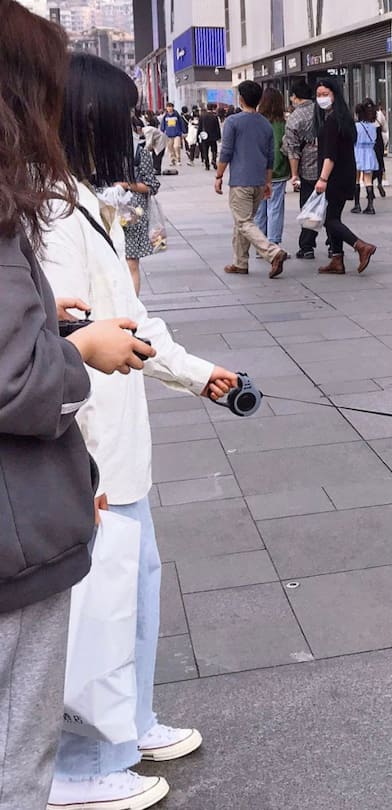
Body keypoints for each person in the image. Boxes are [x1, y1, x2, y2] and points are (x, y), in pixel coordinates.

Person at [43, 51, 243, 810]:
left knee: (136, 593)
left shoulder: (86, 201)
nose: (129, 129)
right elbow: (58, 342)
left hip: (120, 447)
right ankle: (80, 765)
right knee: (94, 616)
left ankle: (128, 725)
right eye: (119, 116)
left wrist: (197, 373)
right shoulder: (49, 215)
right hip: (85, 451)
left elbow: (131, 316)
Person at [0, 9, 159, 810]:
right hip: (28, 513)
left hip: (48, 492)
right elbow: (19, 377)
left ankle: (126, 727)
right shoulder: (32, 212)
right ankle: (91, 759)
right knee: (23, 743)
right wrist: (76, 350)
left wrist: (54, 327)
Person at [215, 80, 288, 278]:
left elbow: (226, 152)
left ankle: (273, 252)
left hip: (240, 181)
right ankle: (240, 263)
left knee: (244, 222)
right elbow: (270, 155)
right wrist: (267, 181)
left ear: (240, 99)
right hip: (258, 181)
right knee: (242, 222)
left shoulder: (233, 122)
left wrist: (219, 175)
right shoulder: (265, 123)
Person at [314, 77, 377, 275]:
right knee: (333, 217)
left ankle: (360, 246)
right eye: (319, 95)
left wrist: (322, 179)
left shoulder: (333, 121)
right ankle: (337, 259)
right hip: (345, 174)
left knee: (330, 219)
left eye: (325, 94)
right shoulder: (343, 118)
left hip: (334, 176)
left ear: (334, 95)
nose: (321, 98)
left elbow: (330, 155)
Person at [119, 117, 162, 295]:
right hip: (106, 210)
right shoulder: (97, 152)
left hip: (131, 214)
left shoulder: (139, 152)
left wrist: (126, 185)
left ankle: (132, 308)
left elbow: (152, 185)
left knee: (130, 261)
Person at [283, 81, 320, 260]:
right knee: (330, 208)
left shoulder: (294, 118)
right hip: (330, 166)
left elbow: (293, 150)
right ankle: (333, 246)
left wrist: (295, 174)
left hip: (308, 170)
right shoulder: (322, 111)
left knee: (309, 207)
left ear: (295, 97)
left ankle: (307, 246)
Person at [255, 87, 289, 248]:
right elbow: (282, 148)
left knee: (260, 209)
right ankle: (273, 244)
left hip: (258, 172)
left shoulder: (256, 122)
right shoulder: (282, 124)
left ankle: (261, 245)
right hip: (278, 171)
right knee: (275, 207)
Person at [352, 99, 379, 215]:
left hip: (357, 152)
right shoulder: (373, 126)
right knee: (368, 180)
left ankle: (357, 204)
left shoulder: (356, 126)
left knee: (356, 179)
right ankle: (370, 206)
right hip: (369, 152)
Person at [197, 102, 221, 170]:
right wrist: (219, 137)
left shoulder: (202, 116)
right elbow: (217, 127)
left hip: (205, 136)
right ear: (213, 108)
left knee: (205, 150)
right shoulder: (215, 116)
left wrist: (198, 136)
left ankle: (207, 165)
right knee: (214, 150)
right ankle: (213, 160)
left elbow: (200, 127)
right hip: (213, 136)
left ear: (207, 108)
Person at [161, 102, 187, 166]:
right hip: (168, 135)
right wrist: (162, 131)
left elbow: (181, 123)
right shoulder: (165, 116)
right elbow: (163, 125)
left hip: (177, 134)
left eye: (170, 107)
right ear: (166, 108)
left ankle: (178, 159)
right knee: (170, 148)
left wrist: (183, 131)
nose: (169, 109)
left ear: (173, 108)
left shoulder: (177, 115)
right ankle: (172, 159)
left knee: (177, 146)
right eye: (168, 107)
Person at [374, 101, 388, 197]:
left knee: (369, 165)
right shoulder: (379, 114)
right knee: (379, 162)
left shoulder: (363, 116)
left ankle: (369, 185)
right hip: (378, 142)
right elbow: (385, 128)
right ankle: (379, 182)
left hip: (368, 144)